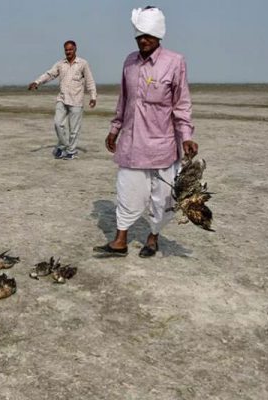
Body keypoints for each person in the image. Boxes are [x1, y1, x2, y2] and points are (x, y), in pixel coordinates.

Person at [93, 6, 198, 258]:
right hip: (131, 143)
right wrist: (114, 128)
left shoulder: (175, 62)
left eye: (149, 35)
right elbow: (124, 99)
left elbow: (180, 103)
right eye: (139, 35)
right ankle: (120, 241)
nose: (144, 40)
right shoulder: (129, 62)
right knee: (127, 191)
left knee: (161, 197)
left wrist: (187, 137)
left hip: (161, 144)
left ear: (159, 35)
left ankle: (153, 238)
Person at [28, 40, 97, 160]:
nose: (68, 52)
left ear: (75, 49)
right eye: (66, 50)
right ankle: (64, 145)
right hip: (62, 98)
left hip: (76, 100)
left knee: (74, 130)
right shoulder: (60, 64)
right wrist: (37, 82)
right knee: (58, 123)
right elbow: (49, 74)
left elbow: (90, 81)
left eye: (70, 49)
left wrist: (93, 96)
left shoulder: (83, 63)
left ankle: (70, 152)